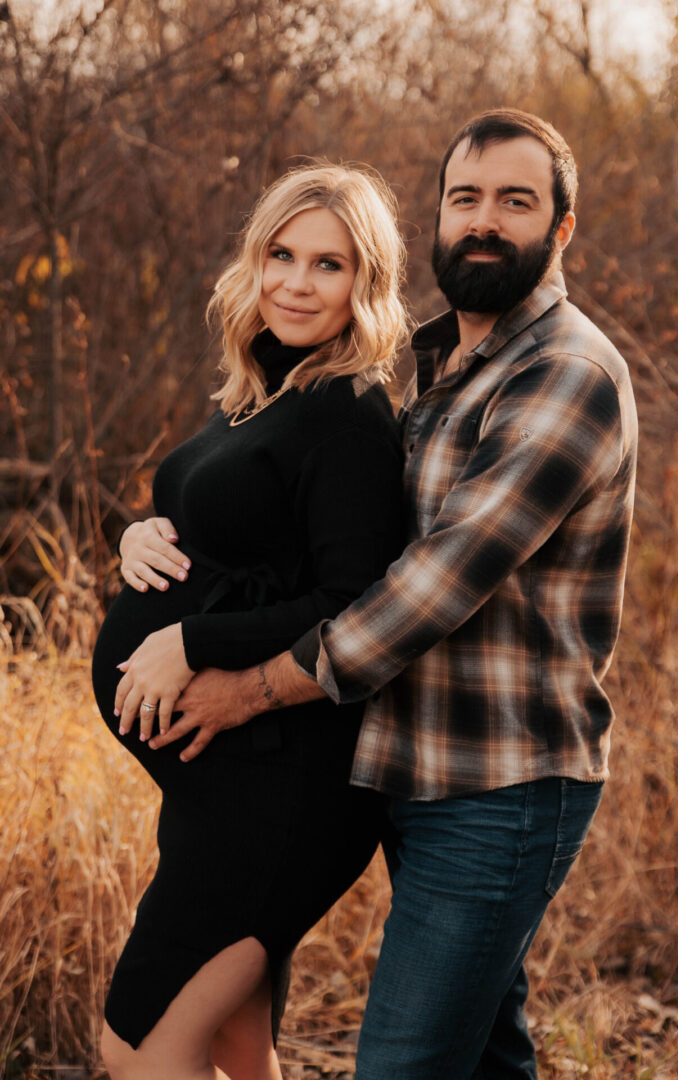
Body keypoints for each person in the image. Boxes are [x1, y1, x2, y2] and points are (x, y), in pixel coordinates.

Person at [147, 109, 638, 1079]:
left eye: (516, 201)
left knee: (405, 1064)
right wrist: (156, 530)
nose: (484, 220)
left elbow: (426, 589)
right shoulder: (426, 361)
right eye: (465, 198)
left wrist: (241, 682)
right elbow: (313, 532)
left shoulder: (566, 375)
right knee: (487, 1056)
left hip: (499, 783)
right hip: (409, 764)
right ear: (439, 216)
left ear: (562, 229)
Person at [91, 163, 409, 1080]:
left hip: (282, 798)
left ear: (365, 284)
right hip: (215, 793)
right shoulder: (258, 392)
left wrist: (190, 640)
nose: (295, 283)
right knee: (235, 1045)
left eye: (328, 265)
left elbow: (354, 602)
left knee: (137, 1049)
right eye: (281, 255)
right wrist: (139, 538)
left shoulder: (346, 412)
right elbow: (237, 542)